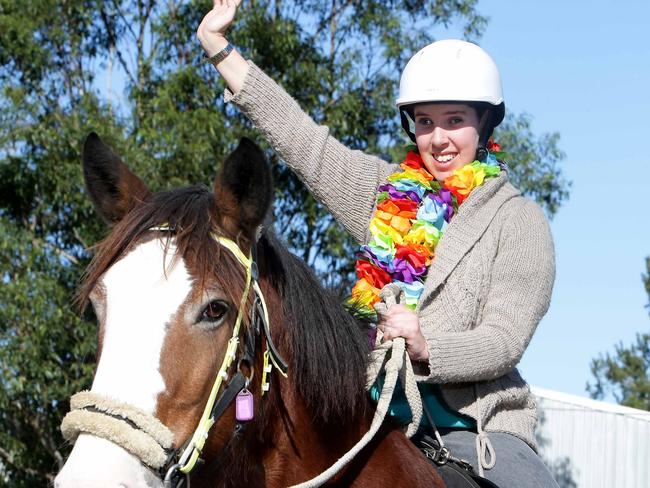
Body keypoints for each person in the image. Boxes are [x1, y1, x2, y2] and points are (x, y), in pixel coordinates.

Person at [197, 1, 559, 486]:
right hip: (367, 417)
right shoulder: (383, 192)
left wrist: (428, 346)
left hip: (476, 432)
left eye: (455, 120)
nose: (439, 138)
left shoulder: (520, 221)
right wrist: (220, 50)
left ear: (486, 123)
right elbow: (306, 144)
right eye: (425, 122)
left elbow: (504, 339)